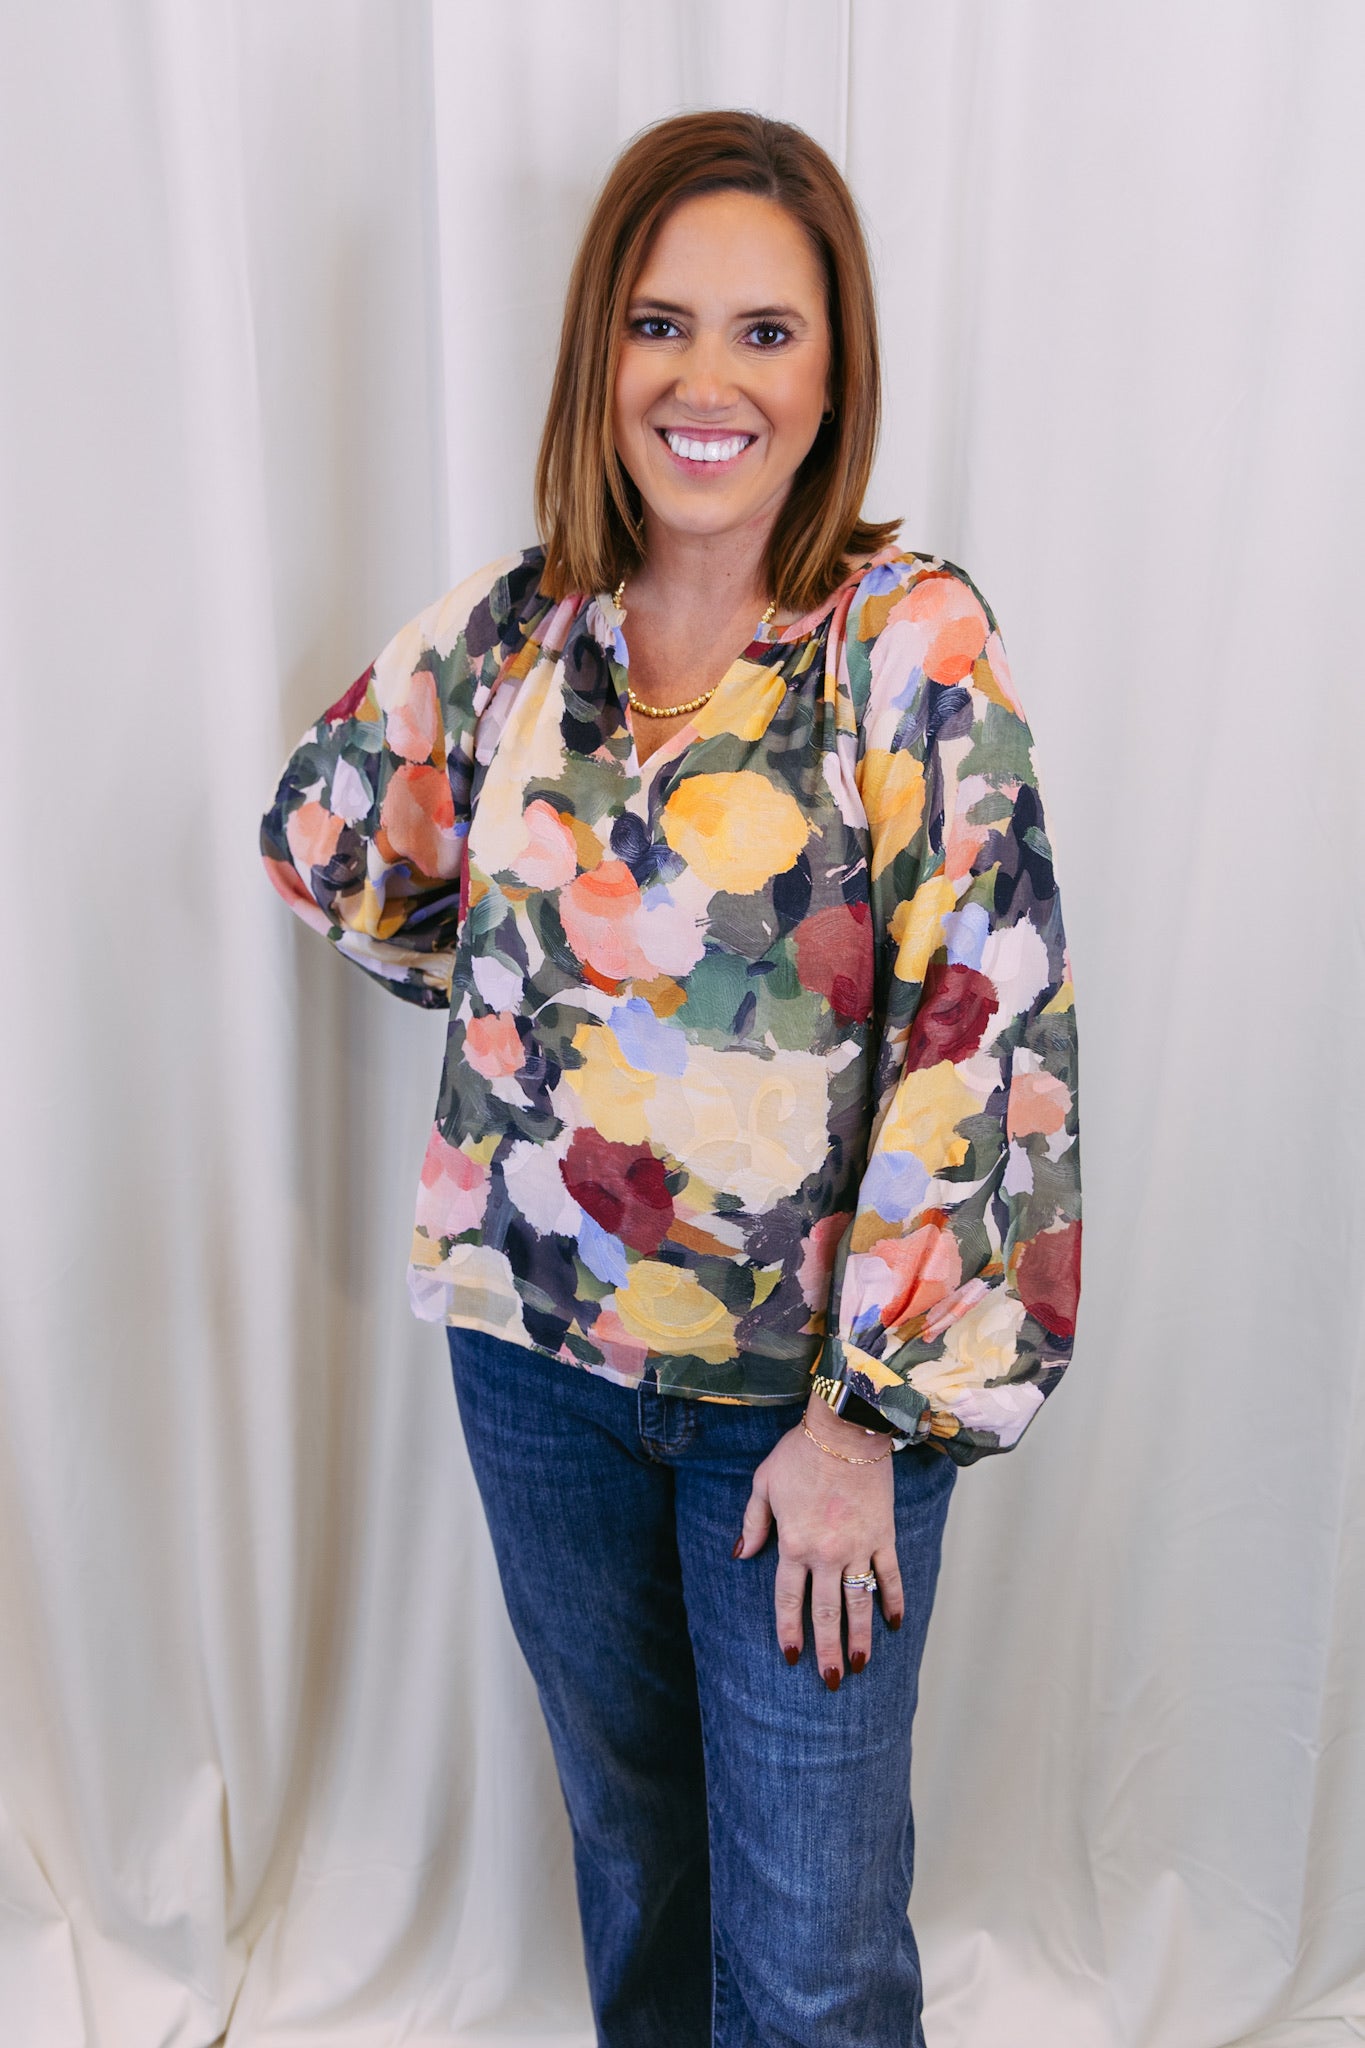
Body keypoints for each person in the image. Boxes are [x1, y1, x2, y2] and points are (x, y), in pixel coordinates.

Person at [262, 109, 1080, 2048]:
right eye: (660, 322)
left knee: (802, 1947)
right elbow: (331, 838)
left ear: (831, 373)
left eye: (765, 333)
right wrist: (536, 1016)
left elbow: (989, 1023)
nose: (704, 378)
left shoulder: (903, 641)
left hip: (791, 1418)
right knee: (639, 1873)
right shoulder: (519, 630)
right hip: (529, 1365)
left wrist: (864, 1417)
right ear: (597, 358)